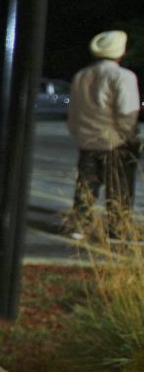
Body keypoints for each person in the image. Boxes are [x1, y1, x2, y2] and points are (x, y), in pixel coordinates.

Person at [66, 30, 140, 239]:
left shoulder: (80, 76)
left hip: (87, 141)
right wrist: (129, 136)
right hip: (114, 142)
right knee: (119, 190)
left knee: (86, 188)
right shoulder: (123, 76)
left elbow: (73, 112)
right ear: (120, 52)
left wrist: (80, 133)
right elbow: (128, 112)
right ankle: (117, 228)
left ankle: (79, 225)